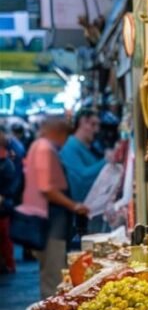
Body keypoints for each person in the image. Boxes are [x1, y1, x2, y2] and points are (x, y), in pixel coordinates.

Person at [17, 117, 88, 297]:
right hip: (51, 224)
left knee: (51, 272)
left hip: (49, 222)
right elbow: (47, 188)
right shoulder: (45, 149)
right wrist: (74, 206)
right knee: (54, 276)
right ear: (60, 133)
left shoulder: (38, 146)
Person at [60, 110, 106, 205]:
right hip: (83, 206)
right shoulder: (70, 147)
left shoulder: (86, 147)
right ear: (82, 122)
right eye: (93, 125)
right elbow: (83, 176)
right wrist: (106, 160)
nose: (96, 130)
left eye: (97, 125)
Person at [0, 134, 18, 273]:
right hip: (5, 204)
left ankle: (8, 264)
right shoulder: (7, 162)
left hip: (3, 205)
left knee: (4, 237)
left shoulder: (5, 163)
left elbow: (9, 188)